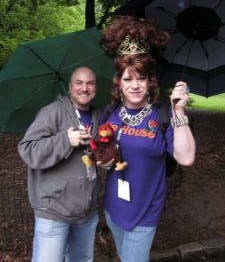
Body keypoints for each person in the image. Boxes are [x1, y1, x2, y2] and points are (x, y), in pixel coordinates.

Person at [98, 15, 196, 262]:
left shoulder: (163, 114)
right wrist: (103, 160)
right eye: (128, 79)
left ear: (151, 80)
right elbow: (101, 154)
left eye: (141, 78)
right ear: (118, 82)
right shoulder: (110, 114)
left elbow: (185, 158)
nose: (135, 85)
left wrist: (179, 111)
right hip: (113, 208)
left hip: (144, 213)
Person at [18, 66, 101, 262]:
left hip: (86, 213)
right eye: (79, 83)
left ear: (95, 88)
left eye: (90, 83)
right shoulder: (51, 112)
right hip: (54, 213)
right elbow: (27, 149)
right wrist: (65, 140)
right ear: (70, 87)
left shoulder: (97, 116)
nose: (84, 88)